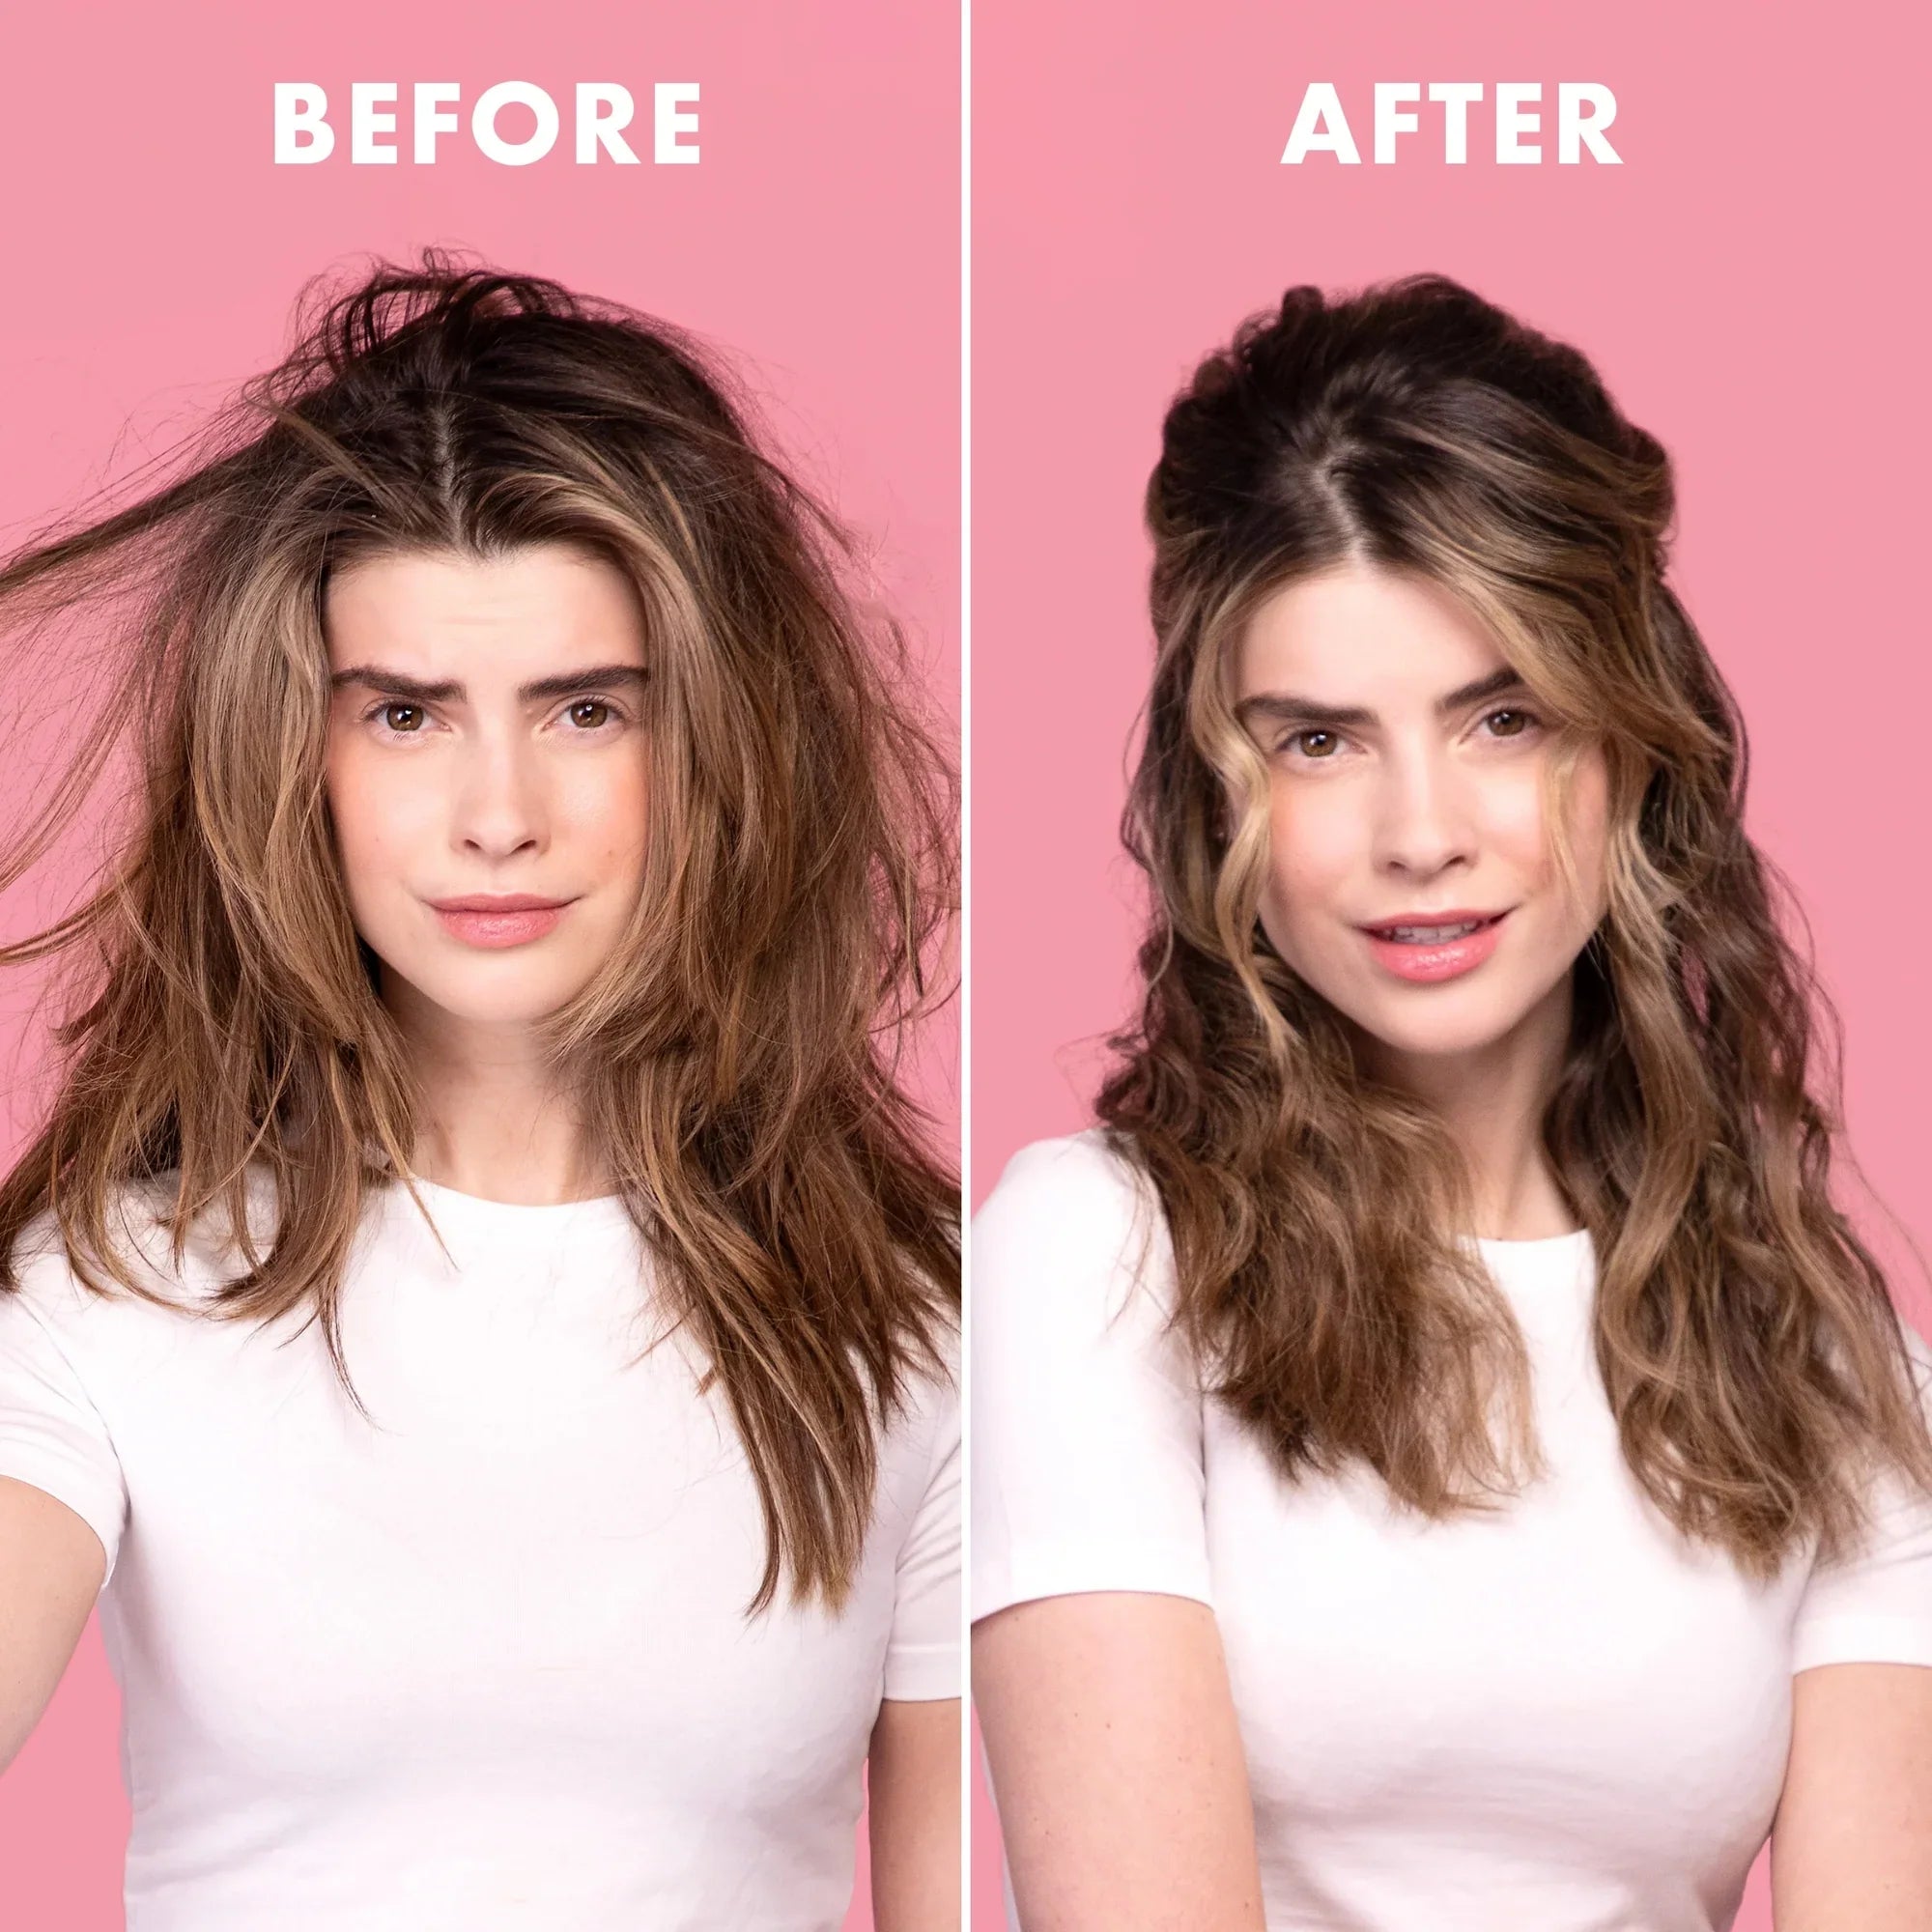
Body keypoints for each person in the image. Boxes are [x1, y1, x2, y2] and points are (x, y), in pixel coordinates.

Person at [0, 257, 961, 1932]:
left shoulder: (926, 1318)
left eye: (585, 711)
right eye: (406, 715)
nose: (498, 815)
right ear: (296, 755)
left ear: (716, 746)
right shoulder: (112, 1289)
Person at [970, 274, 1932, 1931]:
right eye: (1320, 742)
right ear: (1222, 799)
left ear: (1631, 751)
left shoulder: (1834, 1368)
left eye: (1504, 719)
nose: (1423, 833)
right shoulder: (1098, 1262)